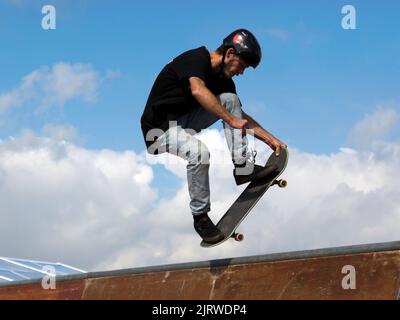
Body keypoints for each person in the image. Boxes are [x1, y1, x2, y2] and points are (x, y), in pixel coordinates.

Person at [141, 29, 287, 244]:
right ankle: (200, 217)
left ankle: (243, 168)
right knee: (199, 152)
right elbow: (198, 90)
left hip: (185, 122)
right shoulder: (196, 59)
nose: (241, 73)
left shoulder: (223, 79)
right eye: (242, 66)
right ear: (229, 53)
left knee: (230, 99)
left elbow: (239, 115)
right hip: (158, 130)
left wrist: (269, 138)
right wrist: (230, 120)